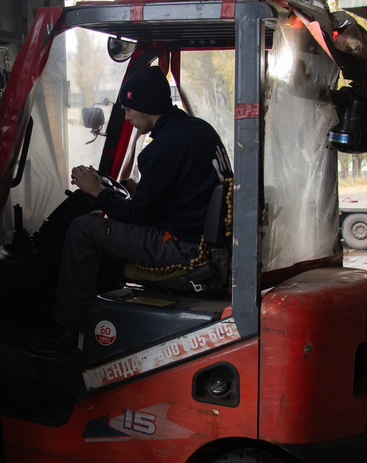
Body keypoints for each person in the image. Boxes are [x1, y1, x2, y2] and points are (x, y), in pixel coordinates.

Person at [37, 65, 231, 352]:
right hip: (208, 241)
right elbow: (181, 188)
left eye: (129, 111)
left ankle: (70, 329)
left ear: (146, 107)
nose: (127, 118)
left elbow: (138, 215)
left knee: (83, 228)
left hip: (184, 248)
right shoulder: (197, 130)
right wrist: (132, 188)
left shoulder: (161, 148)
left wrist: (98, 191)